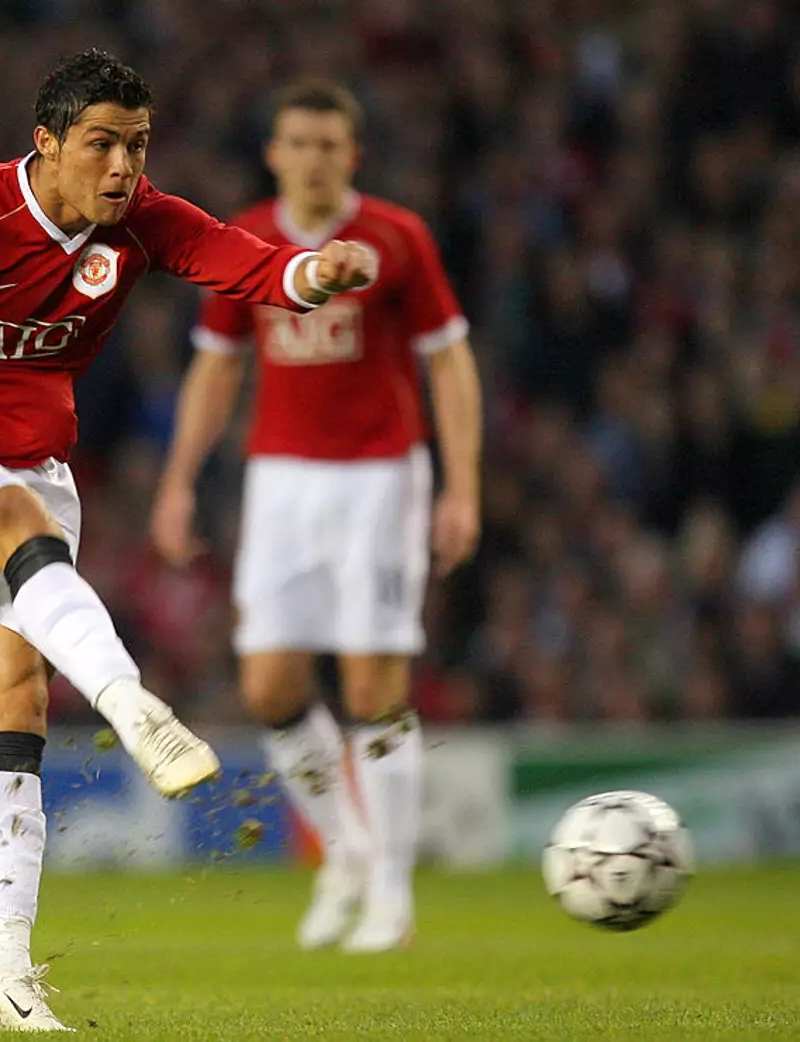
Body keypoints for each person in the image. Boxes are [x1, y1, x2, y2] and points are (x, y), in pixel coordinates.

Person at [0, 51, 377, 1033]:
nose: (124, 167)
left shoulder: (141, 220)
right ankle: (132, 703)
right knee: (14, 527)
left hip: (33, 467)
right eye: (103, 144)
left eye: (138, 146)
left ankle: (1, 982)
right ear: (48, 145)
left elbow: (250, 265)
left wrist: (319, 273)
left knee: (10, 701)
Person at [151, 80, 481, 953]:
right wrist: (179, 480)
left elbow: (449, 365)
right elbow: (217, 369)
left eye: (329, 145)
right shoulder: (243, 240)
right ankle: (344, 852)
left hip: (379, 477)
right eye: (298, 142)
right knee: (268, 685)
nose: (313, 158)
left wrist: (462, 487)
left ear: (353, 156)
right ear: (274, 152)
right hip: (280, 480)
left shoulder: (398, 237)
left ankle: (394, 895)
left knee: (373, 687)